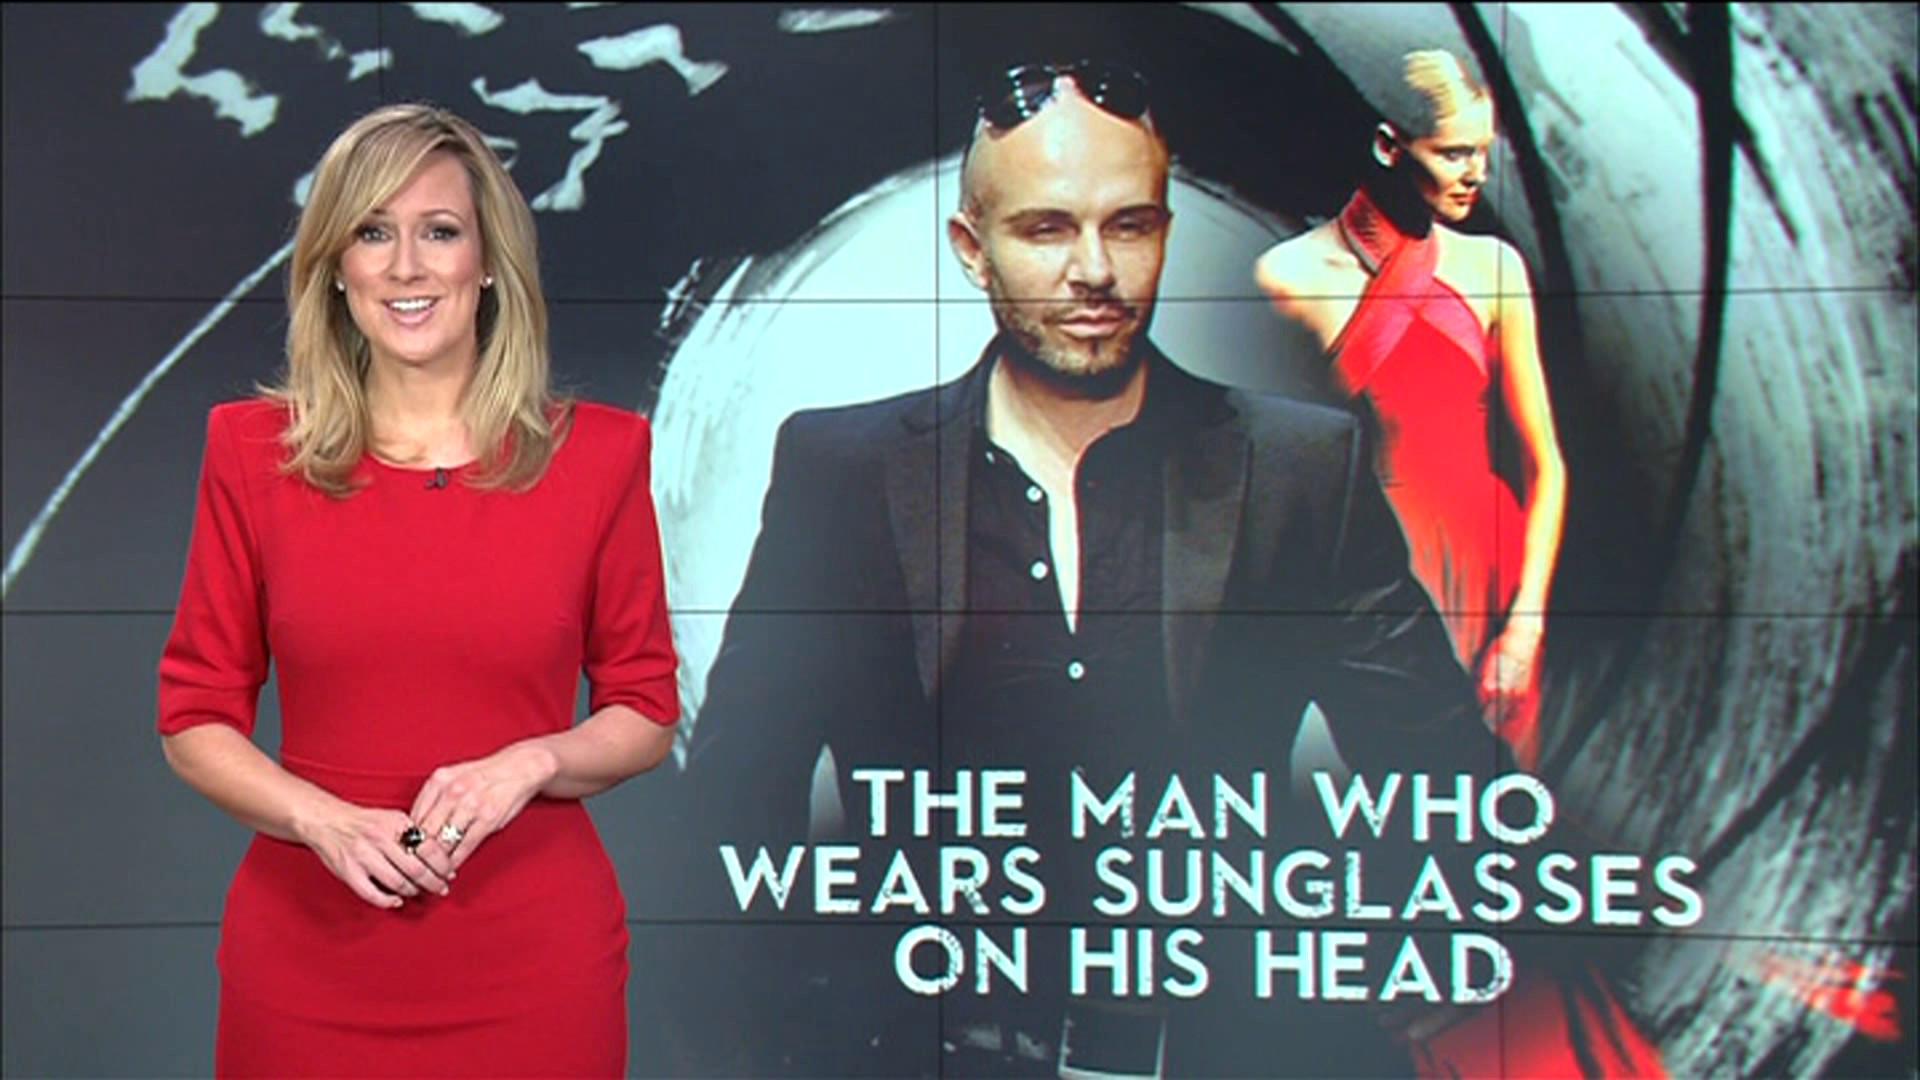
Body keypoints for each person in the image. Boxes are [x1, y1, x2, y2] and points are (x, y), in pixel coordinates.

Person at [683, 60, 1524, 1078]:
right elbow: (736, 799)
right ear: (972, 249)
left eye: (1129, 226)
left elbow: (1446, 778)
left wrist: (1381, 972)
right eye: (1046, 230)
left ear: (1165, 230)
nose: (1095, 271)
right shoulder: (845, 471)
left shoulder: (1297, 469)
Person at [156, 103, 679, 1077]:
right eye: (372, 233)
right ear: (335, 268)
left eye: (439, 232)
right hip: (307, 961)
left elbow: (645, 709)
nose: (406, 267)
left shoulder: (602, 457)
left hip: (533, 964)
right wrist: (320, 819)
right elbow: (194, 717)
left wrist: (529, 762)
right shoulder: (249, 453)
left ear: (488, 263)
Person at [1254, 48, 1568, 771]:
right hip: (1367, 578)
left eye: (1483, 153)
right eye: (1454, 153)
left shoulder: (1495, 268)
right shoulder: (1286, 277)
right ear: (1390, 146)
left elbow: (1547, 465)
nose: (1476, 174)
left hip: (1491, 577)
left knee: (1485, 803)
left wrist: (1525, 628)